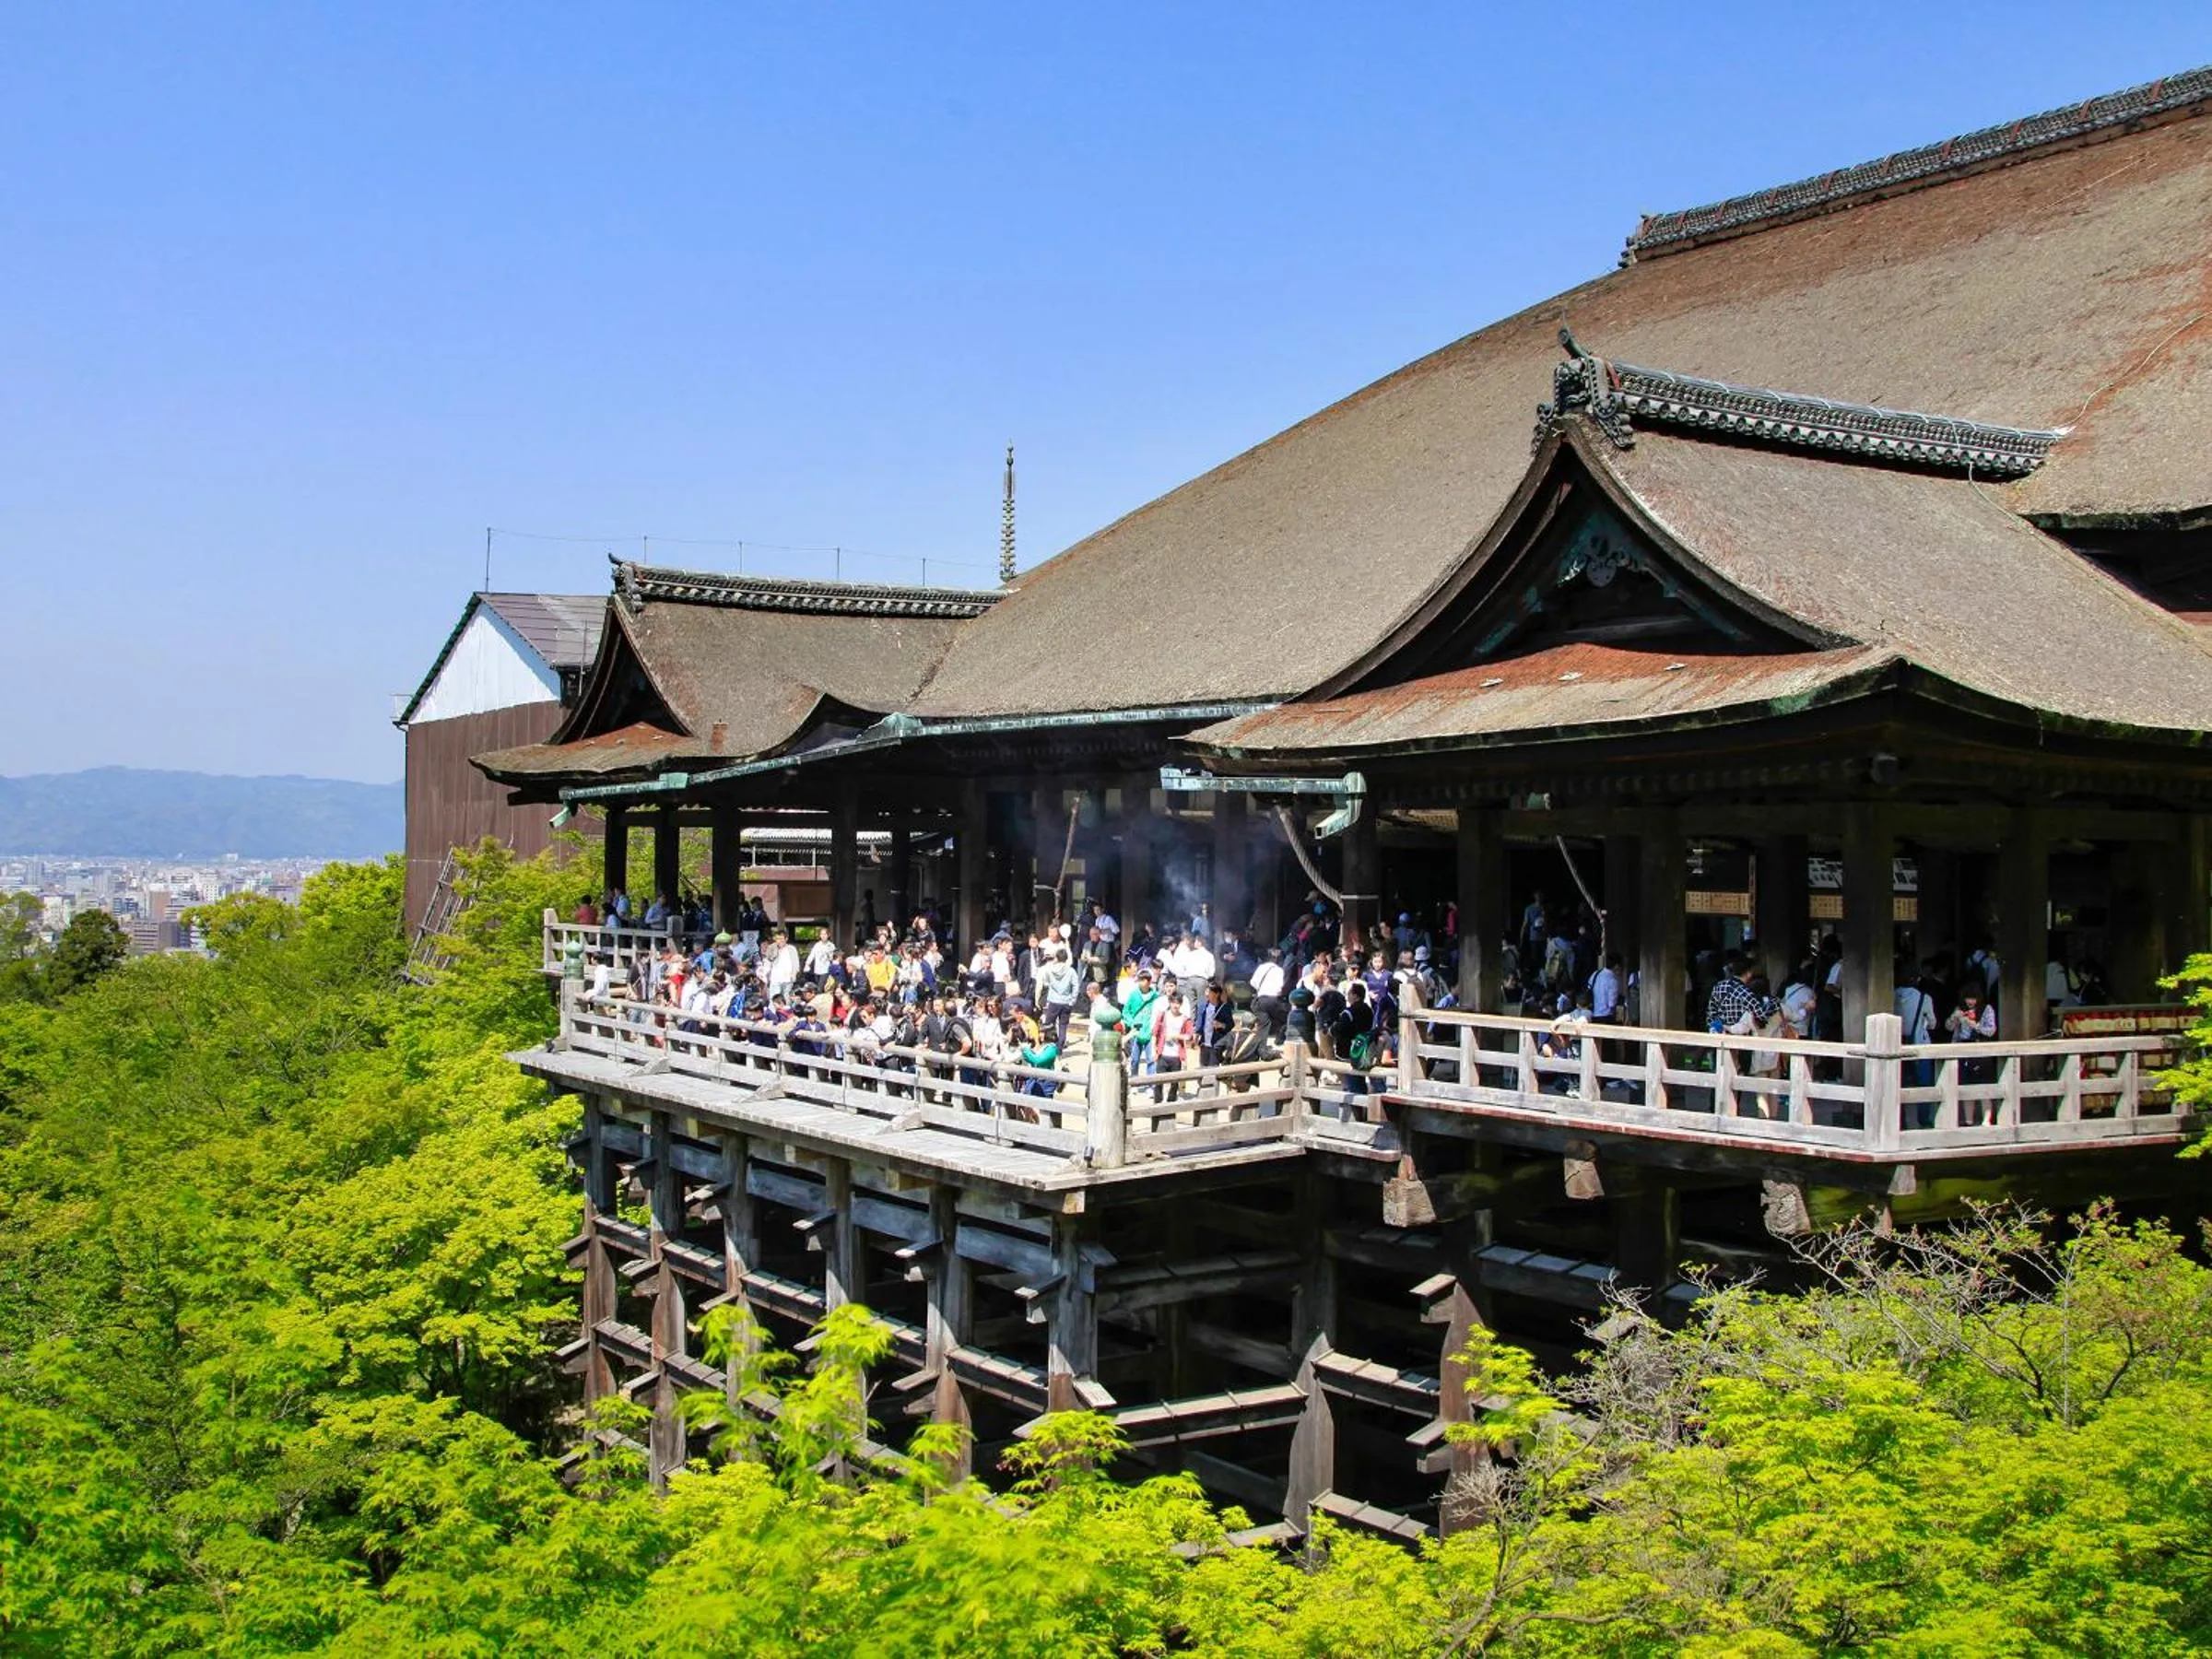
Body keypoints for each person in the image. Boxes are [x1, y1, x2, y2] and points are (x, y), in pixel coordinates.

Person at [1947, 987, 1999, 1118]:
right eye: (1968, 998)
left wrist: (1974, 1025)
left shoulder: (1987, 1009)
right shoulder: (1960, 1009)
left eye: (1973, 998)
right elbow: (1948, 1027)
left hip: (1980, 1047)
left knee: (1983, 1085)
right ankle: (1968, 1120)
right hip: (1963, 1048)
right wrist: (1954, 1018)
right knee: (1966, 1085)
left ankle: (1986, 1119)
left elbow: (1991, 1030)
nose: (1970, 1001)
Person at [1249, 947, 1288, 1036]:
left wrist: (1261, 989)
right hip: (1274, 1001)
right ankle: (1279, 1038)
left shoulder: (1261, 967)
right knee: (1285, 1019)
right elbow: (1280, 988)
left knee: (1264, 1022)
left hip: (1261, 1000)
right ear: (1277, 959)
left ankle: (1263, 1040)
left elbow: (1253, 982)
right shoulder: (1280, 970)